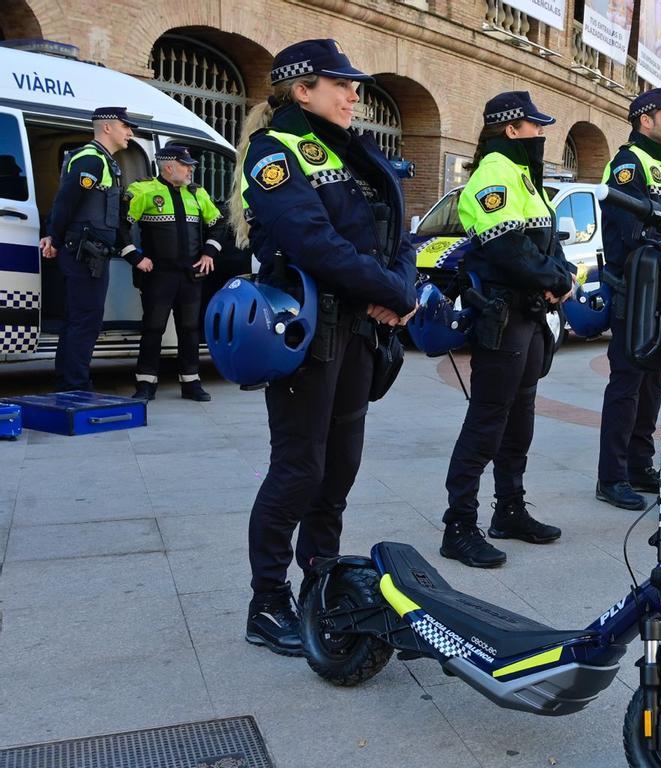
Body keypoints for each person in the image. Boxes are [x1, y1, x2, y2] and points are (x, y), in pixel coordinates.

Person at [234, 39, 418, 655]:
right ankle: (266, 601)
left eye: (354, 85)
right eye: (340, 84)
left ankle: (322, 582)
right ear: (300, 89)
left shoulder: (361, 154)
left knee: (339, 468)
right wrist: (388, 288)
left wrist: (400, 290)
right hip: (309, 335)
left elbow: (402, 232)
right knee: (299, 468)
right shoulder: (274, 152)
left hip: (361, 333)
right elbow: (312, 242)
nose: (353, 95)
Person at [440, 92, 575, 568]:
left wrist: (563, 276)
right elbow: (508, 250)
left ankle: (510, 510)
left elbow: (546, 240)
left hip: (530, 316)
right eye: (535, 126)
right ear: (513, 129)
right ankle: (459, 525)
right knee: (487, 421)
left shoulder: (523, 176)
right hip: (504, 316)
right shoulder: (493, 174)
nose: (542, 133)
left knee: (520, 418)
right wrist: (557, 279)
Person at [595, 87, 661, 511]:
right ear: (645, 120)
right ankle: (611, 477)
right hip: (635, 289)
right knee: (627, 384)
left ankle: (638, 464)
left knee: (653, 382)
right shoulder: (628, 164)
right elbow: (629, 226)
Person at [40, 107, 136, 390]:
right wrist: (53, 239)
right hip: (83, 252)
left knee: (79, 318)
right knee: (86, 320)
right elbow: (65, 202)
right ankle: (76, 385)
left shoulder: (105, 162)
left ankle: (68, 380)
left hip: (92, 252)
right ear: (107, 128)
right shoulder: (90, 160)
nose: (130, 132)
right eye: (125, 126)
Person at [121, 144, 223, 401]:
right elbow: (120, 225)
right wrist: (135, 257)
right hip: (158, 275)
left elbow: (218, 224)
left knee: (189, 329)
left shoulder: (197, 193)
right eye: (185, 165)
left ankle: (191, 383)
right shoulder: (142, 190)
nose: (191, 169)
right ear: (169, 166)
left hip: (190, 274)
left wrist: (209, 253)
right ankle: (145, 385)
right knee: (153, 328)